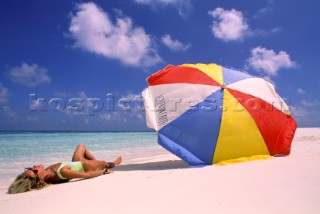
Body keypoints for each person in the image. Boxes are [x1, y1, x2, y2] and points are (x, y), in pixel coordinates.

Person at [8, 144, 122, 194]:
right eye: (34, 171)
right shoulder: (62, 172)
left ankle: (98, 163)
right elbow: (87, 176)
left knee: (81, 146)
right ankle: (110, 164)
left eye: (30, 168)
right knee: (105, 164)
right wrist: (103, 172)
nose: (33, 166)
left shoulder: (47, 171)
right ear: (40, 179)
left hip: (75, 163)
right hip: (85, 167)